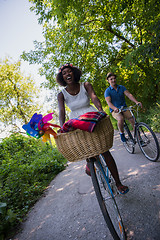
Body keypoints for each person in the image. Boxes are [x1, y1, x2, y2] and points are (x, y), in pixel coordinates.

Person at [56, 63, 129, 194]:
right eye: (64, 73)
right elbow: (61, 111)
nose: (67, 74)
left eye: (69, 71)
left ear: (74, 73)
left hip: (91, 117)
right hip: (76, 121)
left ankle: (118, 183)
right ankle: (90, 163)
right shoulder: (61, 94)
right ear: (62, 78)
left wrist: (100, 110)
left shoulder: (85, 85)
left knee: (105, 151)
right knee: (88, 150)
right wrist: (62, 127)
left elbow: (94, 98)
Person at [104, 72, 142, 142]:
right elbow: (109, 102)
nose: (113, 80)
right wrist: (114, 108)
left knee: (133, 120)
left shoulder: (121, 87)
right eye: (111, 79)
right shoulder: (107, 91)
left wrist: (136, 102)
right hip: (114, 110)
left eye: (114, 78)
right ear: (108, 80)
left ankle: (140, 139)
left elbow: (128, 95)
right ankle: (122, 134)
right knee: (120, 119)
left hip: (124, 108)